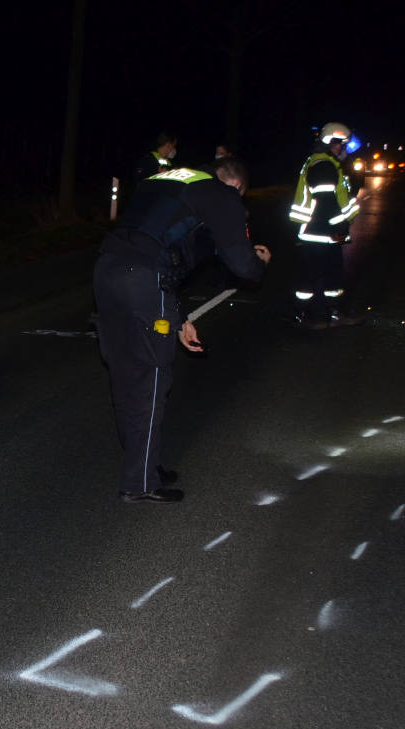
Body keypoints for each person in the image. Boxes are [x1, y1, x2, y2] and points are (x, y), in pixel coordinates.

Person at [94, 158, 272, 503]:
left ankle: (143, 464)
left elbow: (157, 247)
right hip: (143, 280)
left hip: (106, 271)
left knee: (126, 373)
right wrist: (260, 263)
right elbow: (242, 264)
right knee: (151, 378)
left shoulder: (168, 182)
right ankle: (140, 482)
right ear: (236, 186)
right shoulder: (221, 194)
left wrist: (178, 319)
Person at [288, 121, 363, 330]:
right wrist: (341, 227)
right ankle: (302, 315)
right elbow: (327, 202)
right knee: (311, 277)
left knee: (332, 276)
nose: (341, 148)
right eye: (337, 143)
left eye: (342, 144)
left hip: (323, 231)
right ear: (328, 143)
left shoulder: (326, 163)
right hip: (317, 231)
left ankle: (333, 313)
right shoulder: (323, 165)